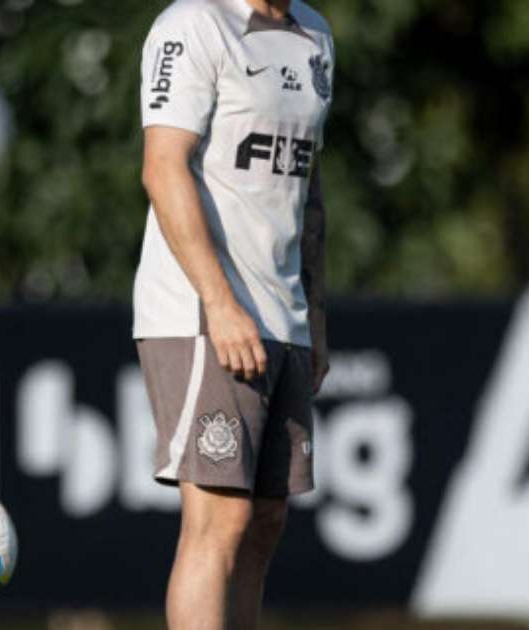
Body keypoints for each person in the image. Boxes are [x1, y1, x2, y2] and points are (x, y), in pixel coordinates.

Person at [134, 0, 335, 627]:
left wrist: (315, 312)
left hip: (284, 313)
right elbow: (162, 169)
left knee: (265, 520)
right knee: (220, 519)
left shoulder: (315, 33)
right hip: (202, 313)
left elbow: (307, 185)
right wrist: (220, 304)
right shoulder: (194, 24)